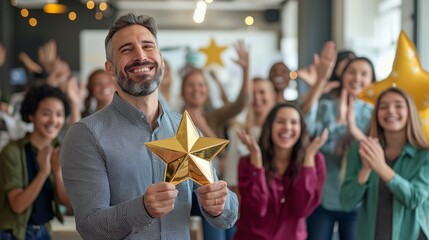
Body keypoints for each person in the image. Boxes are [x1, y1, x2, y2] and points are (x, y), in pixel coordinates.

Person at [60, 12, 238, 239]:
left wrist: (220, 204)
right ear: (110, 68)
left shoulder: (186, 130)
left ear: (161, 59)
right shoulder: (86, 135)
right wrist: (142, 209)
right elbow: (90, 227)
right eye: (126, 50)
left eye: (148, 46)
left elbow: (228, 215)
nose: (141, 56)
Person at [340, 87, 429, 240]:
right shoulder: (361, 149)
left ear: (410, 112)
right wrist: (365, 171)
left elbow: (414, 199)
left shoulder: (424, 155)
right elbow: (346, 202)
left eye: (398, 106)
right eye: (383, 107)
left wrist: (381, 167)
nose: (391, 111)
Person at [305, 57, 376, 240]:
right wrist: (337, 124)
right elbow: (308, 136)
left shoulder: (374, 113)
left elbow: (375, 154)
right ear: (343, 75)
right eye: (352, 72)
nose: (357, 78)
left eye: (364, 73)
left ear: (372, 80)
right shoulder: (326, 107)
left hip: (358, 199)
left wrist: (352, 130)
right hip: (323, 196)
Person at [233, 103, 327, 240]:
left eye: (294, 122)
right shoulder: (248, 162)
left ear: (301, 128)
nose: (287, 127)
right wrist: (257, 163)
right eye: (280, 121)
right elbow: (257, 209)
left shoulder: (315, 161)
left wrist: (308, 160)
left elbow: (302, 209)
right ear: (270, 126)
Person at [0, 84, 71, 240]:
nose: (54, 120)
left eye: (59, 114)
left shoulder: (59, 150)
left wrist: (57, 171)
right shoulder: (12, 152)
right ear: (32, 115)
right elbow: (17, 206)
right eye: (46, 113)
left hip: (44, 231)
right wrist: (44, 172)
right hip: (13, 234)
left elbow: (66, 203)